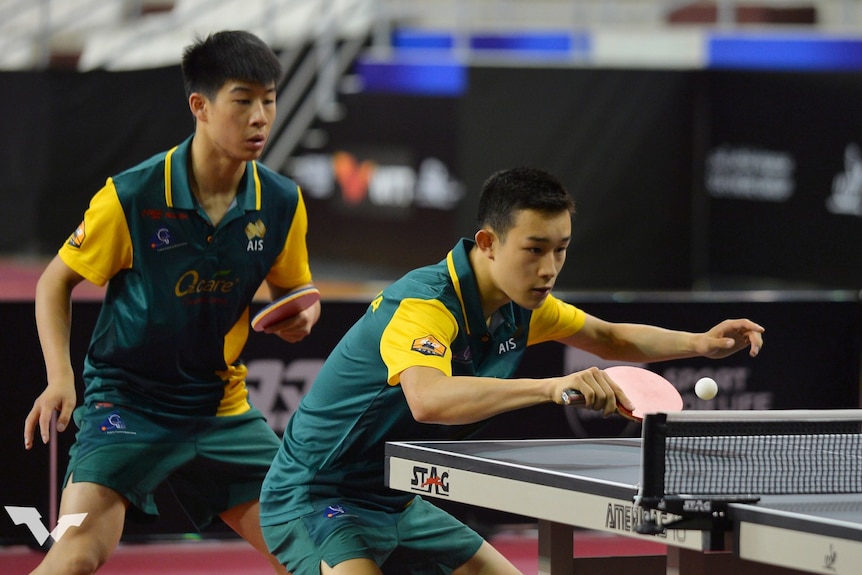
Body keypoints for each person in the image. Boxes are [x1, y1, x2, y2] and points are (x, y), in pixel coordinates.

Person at [258, 167, 765, 574]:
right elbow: (429, 399)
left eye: (561, 250)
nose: (549, 269)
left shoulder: (524, 306)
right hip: (317, 492)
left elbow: (610, 338)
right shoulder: (425, 304)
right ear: (488, 242)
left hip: (393, 498)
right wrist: (550, 388)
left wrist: (700, 342)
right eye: (535, 250)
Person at [23, 30, 319, 575]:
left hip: (219, 407)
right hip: (127, 403)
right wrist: (60, 377)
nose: (260, 117)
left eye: (269, 100)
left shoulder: (279, 202)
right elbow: (53, 282)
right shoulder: (133, 195)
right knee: (77, 552)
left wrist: (302, 315)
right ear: (200, 106)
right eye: (243, 100)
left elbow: (296, 292)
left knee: (310, 553)